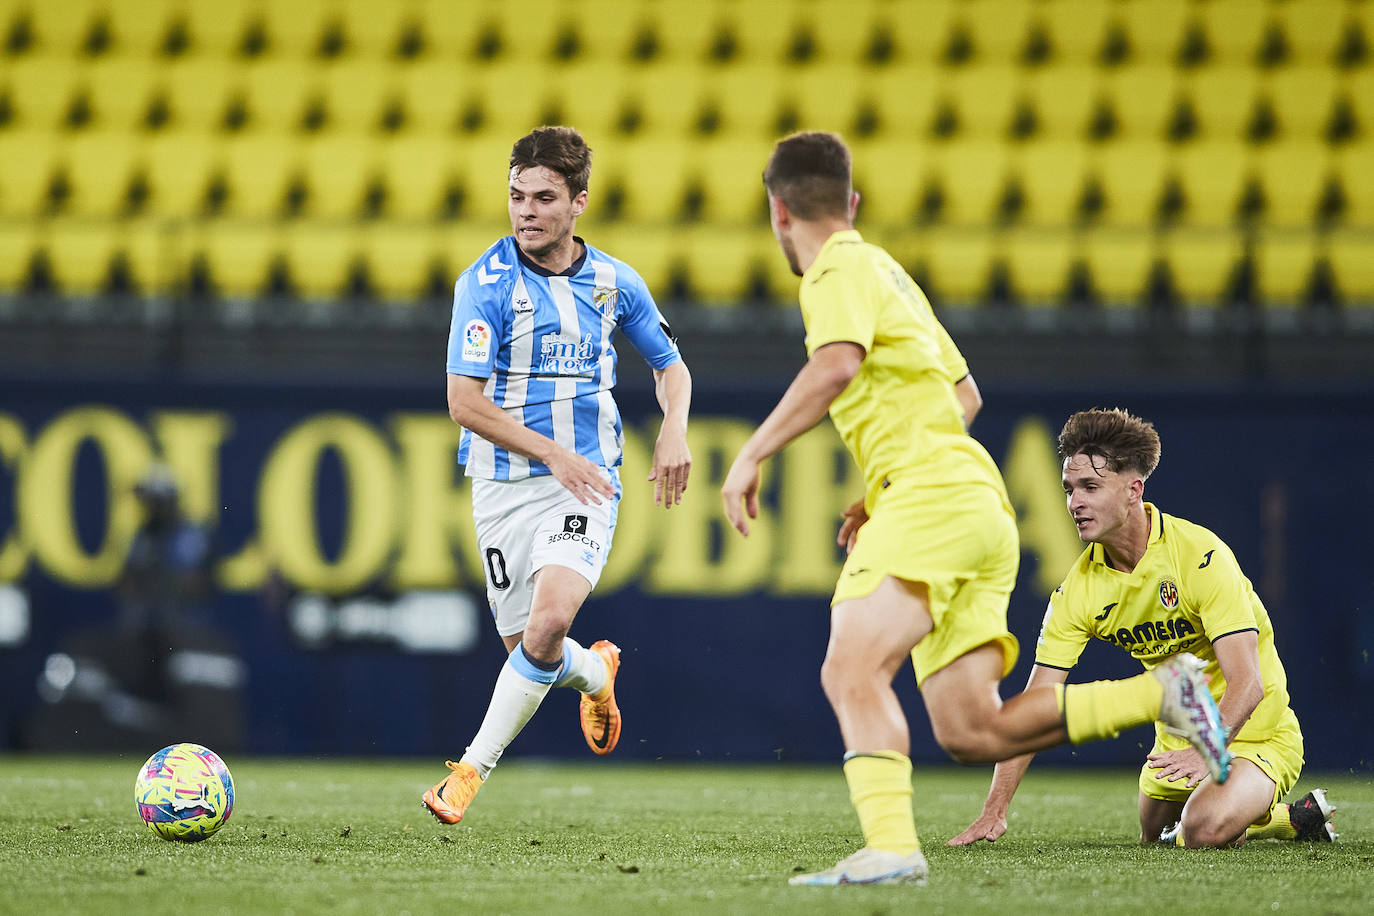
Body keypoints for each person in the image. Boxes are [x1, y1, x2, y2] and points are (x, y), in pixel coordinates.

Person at [720, 131, 1231, 887]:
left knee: (851, 665)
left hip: (932, 495)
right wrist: (880, 487)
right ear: (852, 202)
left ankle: (891, 847)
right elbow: (965, 396)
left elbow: (836, 365)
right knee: (971, 730)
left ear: (777, 213)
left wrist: (752, 452)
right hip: (973, 499)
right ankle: (1163, 692)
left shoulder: (832, 268)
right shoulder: (889, 273)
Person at [423, 126, 693, 824]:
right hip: (502, 488)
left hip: (585, 480)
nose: (525, 211)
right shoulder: (482, 284)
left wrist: (672, 428)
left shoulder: (614, 281)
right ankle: (598, 674)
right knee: (533, 654)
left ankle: (467, 773)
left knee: (546, 628)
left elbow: (670, 366)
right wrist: (548, 450)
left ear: (578, 202)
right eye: (516, 196)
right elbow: (463, 403)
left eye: (543, 198)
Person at [949, 408, 1337, 850]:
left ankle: (1262, 812)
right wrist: (994, 810)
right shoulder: (1077, 591)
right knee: (1154, 838)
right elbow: (1035, 707)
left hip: (1255, 733)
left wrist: (1204, 751)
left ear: (1134, 490)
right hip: (1175, 745)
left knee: (1201, 832)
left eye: (1090, 487)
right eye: (1069, 489)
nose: (1074, 503)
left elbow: (1248, 684)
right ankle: (1278, 817)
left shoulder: (1199, 555)